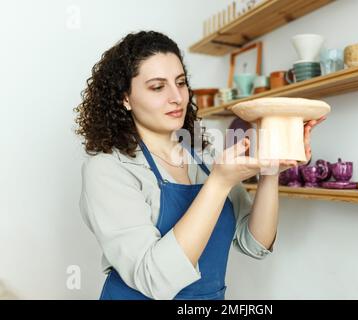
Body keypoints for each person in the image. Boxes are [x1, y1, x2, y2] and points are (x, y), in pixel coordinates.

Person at [74, 30, 325, 300]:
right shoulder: (108, 169)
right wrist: (218, 183)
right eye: (158, 87)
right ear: (125, 98)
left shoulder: (203, 157)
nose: (177, 97)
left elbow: (255, 244)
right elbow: (154, 280)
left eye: (180, 83)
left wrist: (270, 170)